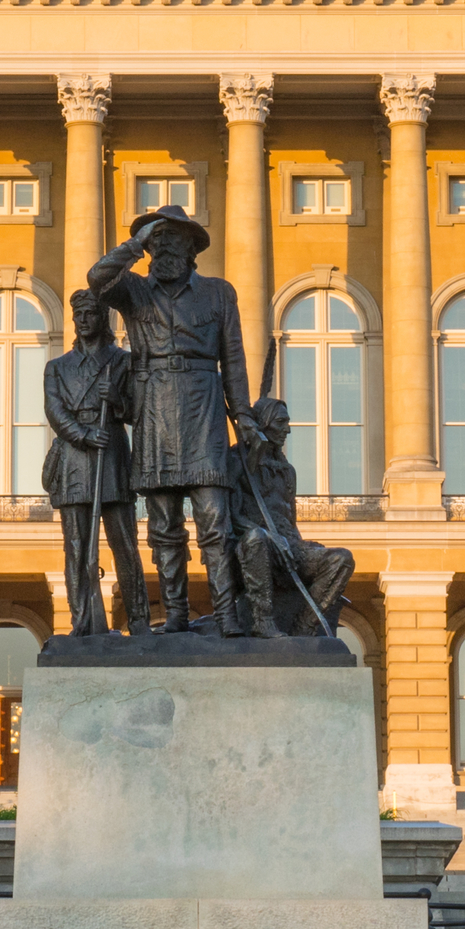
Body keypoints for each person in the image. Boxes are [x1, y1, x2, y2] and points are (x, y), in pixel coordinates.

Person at [87, 208, 257, 634]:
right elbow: (96, 278)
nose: (161, 248)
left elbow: (233, 359)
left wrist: (244, 416)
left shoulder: (219, 293)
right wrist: (131, 244)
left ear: (190, 248)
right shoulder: (134, 291)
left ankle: (227, 614)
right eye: (154, 241)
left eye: (171, 240)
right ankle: (177, 613)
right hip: (154, 404)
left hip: (203, 405)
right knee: (164, 526)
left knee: (214, 520)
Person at [42, 286, 146, 636]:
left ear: (104, 318)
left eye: (91, 314)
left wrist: (116, 400)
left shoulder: (122, 361)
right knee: (76, 547)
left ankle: (140, 619)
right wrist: (84, 435)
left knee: (125, 544)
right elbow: (55, 412)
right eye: (79, 315)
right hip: (75, 456)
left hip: (113, 452)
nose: (84, 321)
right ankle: (83, 621)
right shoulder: (57, 368)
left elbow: (138, 412)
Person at [235, 394, 355, 639]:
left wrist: (300, 545)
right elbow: (231, 517)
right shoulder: (238, 463)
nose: (287, 430)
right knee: (256, 540)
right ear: (263, 425)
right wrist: (270, 537)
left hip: (290, 548)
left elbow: (290, 520)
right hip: (258, 548)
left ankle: (305, 626)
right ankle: (263, 621)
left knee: (341, 558)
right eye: (281, 423)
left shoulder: (287, 471)